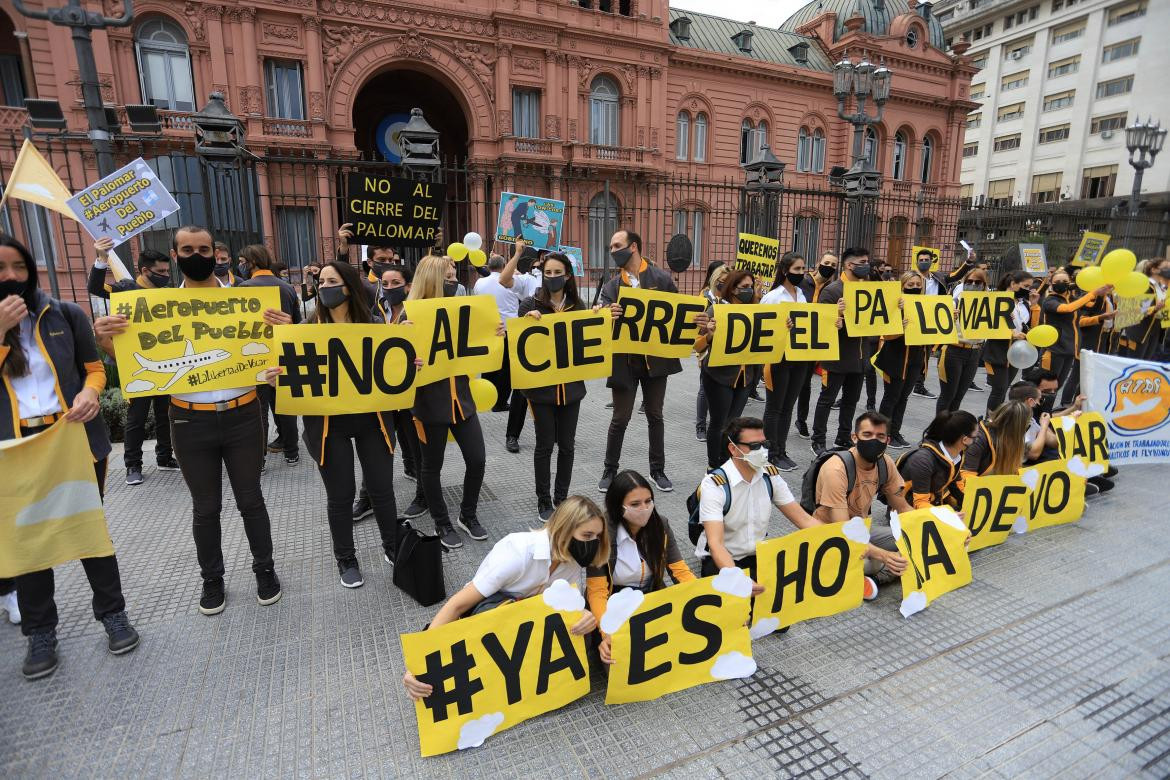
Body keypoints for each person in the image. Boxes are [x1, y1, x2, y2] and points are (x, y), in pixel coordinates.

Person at [94, 225, 284, 617]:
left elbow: (278, 355)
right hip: (188, 422)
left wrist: (283, 335)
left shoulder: (246, 301)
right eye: (187, 249)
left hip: (244, 416)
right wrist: (105, 338)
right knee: (205, 506)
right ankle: (212, 579)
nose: (197, 255)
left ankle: (265, 569)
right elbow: (123, 357)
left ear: (215, 254)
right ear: (176, 255)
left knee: (251, 499)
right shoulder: (151, 307)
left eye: (204, 249)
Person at [0, 235, 140, 679]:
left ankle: (113, 615)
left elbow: (94, 368)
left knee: (89, 530)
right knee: (29, 543)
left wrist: (90, 394)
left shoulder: (65, 313)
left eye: (18, 267)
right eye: (1, 268)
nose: (10, 277)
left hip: (72, 439)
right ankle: (41, 632)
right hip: (15, 450)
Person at [264, 261, 400, 589]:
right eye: (321, 281)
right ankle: (346, 557)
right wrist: (276, 379)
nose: (324, 286)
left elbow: (393, 369)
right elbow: (291, 377)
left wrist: (409, 364)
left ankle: (393, 547)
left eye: (332, 281)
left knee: (382, 490)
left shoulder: (374, 326)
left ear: (349, 287)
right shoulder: (306, 331)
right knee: (341, 496)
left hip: (373, 422)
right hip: (328, 427)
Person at [402, 496, 607, 700]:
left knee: (580, 632)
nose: (593, 543)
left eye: (597, 536)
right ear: (564, 529)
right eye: (587, 535)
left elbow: (567, 607)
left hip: (523, 625)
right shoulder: (518, 552)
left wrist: (584, 614)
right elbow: (458, 605)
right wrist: (419, 663)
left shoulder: (570, 559)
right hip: (489, 617)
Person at [407, 255, 501, 549]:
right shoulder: (408, 318)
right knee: (431, 467)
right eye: (448, 278)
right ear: (432, 280)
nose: (455, 282)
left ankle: (467, 515)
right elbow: (394, 371)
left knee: (477, 459)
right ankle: (442, 522)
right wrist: (408, 360)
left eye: (454, 276)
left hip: (462, 400)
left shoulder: (462, 311)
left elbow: (478, 343)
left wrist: (496, 334)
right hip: (429, 405)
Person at [85, 237, 178, 485]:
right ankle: (133, 466)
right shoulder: (125, 289)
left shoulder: (167, 293)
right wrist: (101, 258)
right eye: (160, 271)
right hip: (135, 363)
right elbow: (95, 287)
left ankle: (165, 457)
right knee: (137, 416)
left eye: (168, 270)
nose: (165, 275)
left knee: (164, 413)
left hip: (164, 361)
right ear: (144, 270)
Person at [596, 229, 682, 494]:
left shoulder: (661, 279)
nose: (612, 251)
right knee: (620, 418)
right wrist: (605, 314)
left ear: (633, 246)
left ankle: (657, 469)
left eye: (617, 245)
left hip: (656, 361)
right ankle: (610, 469)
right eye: (610, 247)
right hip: (624, 362)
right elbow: (599, 321)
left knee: (655, 415)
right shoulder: (611, 286)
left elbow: (678, 314)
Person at [695, 417, 823, 591]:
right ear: (733, 449)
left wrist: (848, 541)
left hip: (757, 555)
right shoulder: (715, 484)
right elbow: (716, 544)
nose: (762, 451)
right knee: (737, 612)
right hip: (722, 559)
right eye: (754, 446)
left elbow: (804, 520)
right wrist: (737, 578)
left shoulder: (769, 475)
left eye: (765, 444)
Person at [587, 470, 696, 663]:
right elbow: (597, 591)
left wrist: (710, 600)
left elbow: (680, 571)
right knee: (618, 662)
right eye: (635, 504)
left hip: (651, 598)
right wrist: (607, 633)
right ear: (617, 506)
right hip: (614, 604)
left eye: (648, 501)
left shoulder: (660, 524)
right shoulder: (602, 534)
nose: (644, 508)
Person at [352, 264, 428, 523]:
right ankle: (367, 497)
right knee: (377, 448)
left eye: (396, 283)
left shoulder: (418, 311)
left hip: (410, 393)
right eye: (385, 283)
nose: (390, 288)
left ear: (408, 285)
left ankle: (423, 495)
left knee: (417, 447)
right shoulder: (375, 312)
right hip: (382, 394)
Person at [517, 252, 588, 522]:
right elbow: (517, 341)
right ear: (542, 274)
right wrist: (526, 321)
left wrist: (598, 320)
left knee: (567, 445)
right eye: (548, 273)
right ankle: (543, 499)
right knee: (545, 444)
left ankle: (562, 496)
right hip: (541, 390)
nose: (553, 278)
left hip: (571, 389)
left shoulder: (578, 305)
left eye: (558, 273)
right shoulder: (529, 303)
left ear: (567, 275)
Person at [811, 411, 912, 599]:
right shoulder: (836, 468)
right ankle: (875, 573)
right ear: (854, 437)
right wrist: (883, 555)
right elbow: (843, 531)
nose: (874, 440)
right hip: (831, 536)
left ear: (888, 440)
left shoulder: (885, 463)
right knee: (878, 560)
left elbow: (904, 508)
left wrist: (941, 525)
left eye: (880, 436)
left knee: (913, 537)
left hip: (863, 530)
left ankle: (873, 577)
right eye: (867, 435)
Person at [238, 244, 303, 466]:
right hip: (283, 354)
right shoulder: (287, 288)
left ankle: (261, 458)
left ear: (251, 262)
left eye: (241, 261)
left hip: (255, 357)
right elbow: (296, 322)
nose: (240, 265)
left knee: (259, 409)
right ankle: (292, 452)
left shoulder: (242, 288)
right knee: (285, 405)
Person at [695, 269, 762, 470]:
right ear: (732, 289)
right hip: (718, 376)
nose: (748, 291)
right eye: (744, 288)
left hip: (745, 377)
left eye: (750, 287)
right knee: (719, 423)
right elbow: (696, 344)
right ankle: (713, 466)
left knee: (733, 424)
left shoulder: (757, 311)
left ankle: (728, 464)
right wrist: (710, 335)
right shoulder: (716, 310)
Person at [812, 247, 870, 456]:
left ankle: (843, 437)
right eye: (862, 262)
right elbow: (821, 325)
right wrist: (838, 316)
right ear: (848, 265)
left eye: (867, 262)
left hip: (860, 357)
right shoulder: (832, 291)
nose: (866, 266)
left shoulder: (869, 290)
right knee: (827, 400)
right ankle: (818, 439)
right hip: (836, 357)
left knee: (851, 401)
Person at [760, 252, 810, 471]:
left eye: (803, 269)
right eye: (797, 269)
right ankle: (770, 452)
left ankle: (781, 450)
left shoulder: (801, 293)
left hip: (798, 357)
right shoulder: (773, 297)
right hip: (778, 358)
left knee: (788, 406)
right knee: (775, 407)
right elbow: (761, 326)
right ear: (785, 271)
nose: (801, 273)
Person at [875, 273, 931, 450]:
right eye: (910, 284)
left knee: (904, 397)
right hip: (895, 359)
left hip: (915, 358)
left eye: (917, 284)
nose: (914, 287)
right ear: (902, 286)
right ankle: (881, 433)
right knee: (891, 397)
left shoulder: (926, 305)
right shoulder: (894, 305)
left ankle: (895, 432)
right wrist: (900, 322)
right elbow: (887, 334)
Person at [494, 241, 541, 451]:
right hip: (529, 342)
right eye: (541, 262)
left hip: (551, 344)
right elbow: (504, 279)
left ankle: (555, 431)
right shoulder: (528, 279)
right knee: (521, 392)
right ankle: (512, 435)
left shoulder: (563, 281)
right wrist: (518, 253)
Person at [1037, 266, 1110, 401]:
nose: (1061, 283)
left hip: (1069, 349)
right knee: (1046, 388)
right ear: (1052, 284)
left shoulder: (1072, 298)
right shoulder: (1050, 301)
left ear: (1069, 282)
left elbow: (1094, 308)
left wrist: (1101, 294)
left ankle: (1047, 416)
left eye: (1065, 280)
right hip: (1053, 350)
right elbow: (1067, 309)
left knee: (1056, 387)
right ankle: (1036, 416)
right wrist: (1093, 293)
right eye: (1058, 281)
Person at [794, 253, 840, 439]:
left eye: (833, 264)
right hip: (799, 339)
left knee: (816, 383)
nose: (828, 266)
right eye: (826, 262)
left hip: (822, 340)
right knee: (802, 383)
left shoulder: (834, 288)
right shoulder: (803, 282)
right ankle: (800, 419)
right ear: (819, 263)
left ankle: (804, 421)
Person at [897, 409, 978, 509]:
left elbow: (956, 486)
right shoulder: (923, 461)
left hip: (932, 504)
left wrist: (973, 505)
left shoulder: (957, 454)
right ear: (965, 439)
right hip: (905, 511)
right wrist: (948, 516)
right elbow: (919, 503)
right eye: (975, 437)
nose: (976, 441)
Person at [936, 267, 988, 414]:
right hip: (953, 351)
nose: (973, 284)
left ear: (984, 285)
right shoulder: (954, 304)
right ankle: (936, 433)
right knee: (948, 396)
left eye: (978, 282)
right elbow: (938, 328)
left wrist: (1007, 319)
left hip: (975, 353)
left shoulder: (990, 306)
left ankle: (951, 430)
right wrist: (949, 318)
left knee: (959, 396)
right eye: (969, 281)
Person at [984, 269, 1036, 414]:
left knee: (1004, 388)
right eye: (1025, 286)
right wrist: (1011, 334)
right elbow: (990, 325)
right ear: (1013, 284)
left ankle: (997, 418)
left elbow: (1030, 326)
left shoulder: (1022, 304)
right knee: (998, 389)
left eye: (1030, 287)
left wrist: (1035, 306)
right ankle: (990, 420)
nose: (1028, 290)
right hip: (997, 352)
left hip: (1015, 353)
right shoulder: (996, 299)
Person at [1061, 266, 1115, 405]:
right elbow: (1080, 321)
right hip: (1085, 341)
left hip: (1101, 341)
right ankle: (1065, 403)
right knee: (1076, 376)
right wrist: (1100, 318)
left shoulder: (1107, 298)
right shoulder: (1086, 299)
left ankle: (1078, 404)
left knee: (1089, 377)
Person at [695, 261, 730, 442]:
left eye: (728, 280)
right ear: (715, 280)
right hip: (707, 348)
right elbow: (697, 328)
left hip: (725, 350)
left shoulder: (730, 300)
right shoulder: (705, 298)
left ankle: (716, 423)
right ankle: (700, 425)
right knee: (704, 388)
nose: (724, 283)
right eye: (722, 280)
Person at [960, 400, 1030, 481]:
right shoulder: (977, 439)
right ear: (1017, 427)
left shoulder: (1012, 436)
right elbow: (966, 476)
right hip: (976, 487)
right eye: (1027, 425)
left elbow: (1015, 469)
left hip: (997, 485)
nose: (1027, 428)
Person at [1118, 258, 1167, 360]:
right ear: (1153, 270)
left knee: (1144, 365)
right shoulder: (1145, 285)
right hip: (1139, 332)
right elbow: (1138, 310)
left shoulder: (1161, 287)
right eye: (1165, 267)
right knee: (1134, 364)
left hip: (1154, 331)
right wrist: (1155, 308)